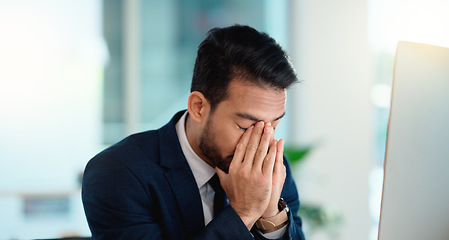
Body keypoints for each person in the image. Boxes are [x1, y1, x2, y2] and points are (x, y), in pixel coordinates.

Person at [82, 25, 305, 240]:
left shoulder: (272, 171)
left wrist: (270, 217)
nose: (261, 143)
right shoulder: (118, 173)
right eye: (245, 127)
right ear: (199, 107)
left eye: (273, 127)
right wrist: (243, 213)